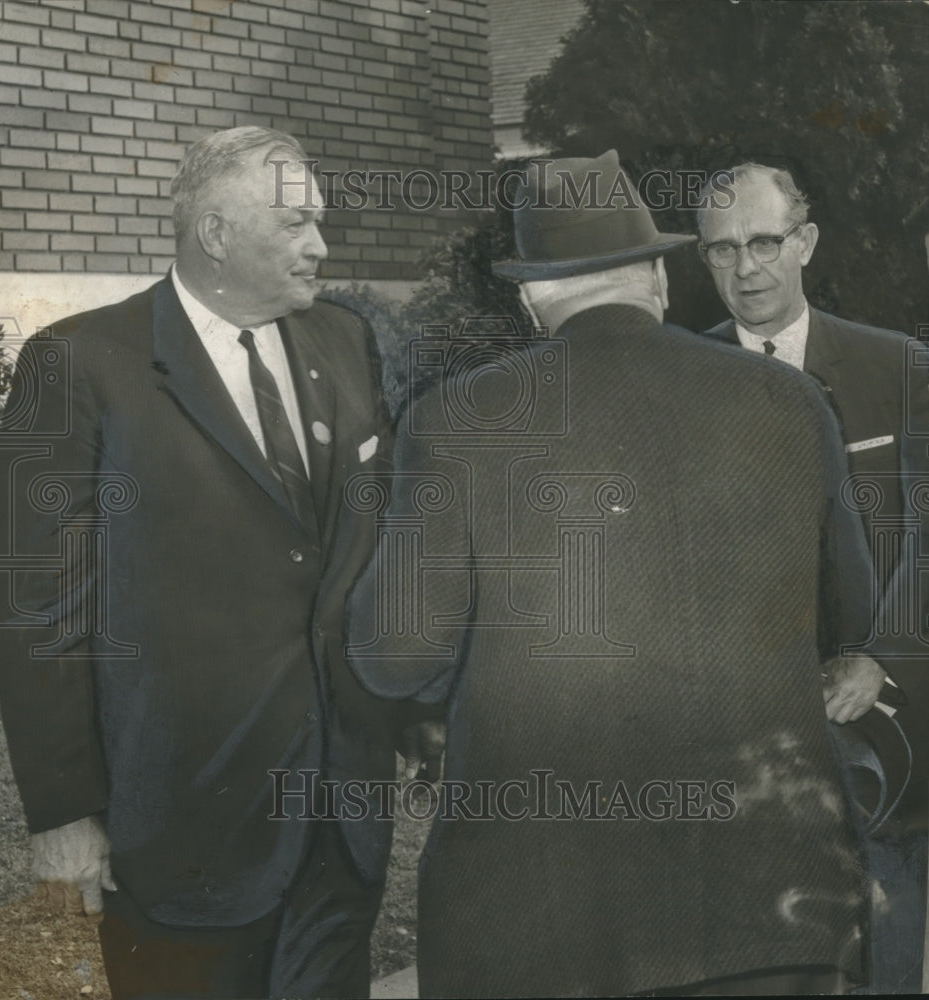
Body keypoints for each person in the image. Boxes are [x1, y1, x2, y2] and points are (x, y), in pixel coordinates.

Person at [346, 149, 879, 996]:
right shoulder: (790, 402)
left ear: (530, 299)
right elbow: (851, 608)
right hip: (772, 904)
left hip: (544, 920)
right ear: (659, 281)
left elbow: (394, 655)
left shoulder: (454, 422)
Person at [0, 126, 418, 999]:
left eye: (320, 223)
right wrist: (67, 810)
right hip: (182, 825)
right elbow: (38, 605)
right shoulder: (77, 364)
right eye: (296, 225)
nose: (321, 247)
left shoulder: (342, 340)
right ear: (215, 233)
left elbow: (372, 545)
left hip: (339, 819)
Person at [697, 162, 929, 993]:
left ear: (805, 243)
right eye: (720, 249)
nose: (745, 268)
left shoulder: (897, 367)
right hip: (744, 746)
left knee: (885, 949)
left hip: (885, 737)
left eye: (763, 242)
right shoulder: (683, 382)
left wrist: (881, 659)